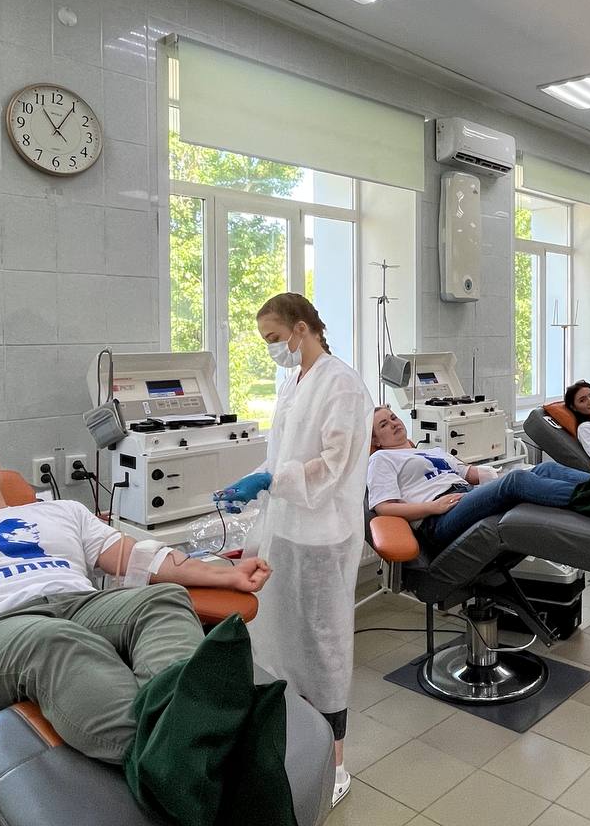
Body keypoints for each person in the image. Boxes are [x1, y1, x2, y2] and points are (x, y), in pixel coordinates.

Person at [0, 428, 271, 786]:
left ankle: (189, 735)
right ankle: (177, 766)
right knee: (54, 639)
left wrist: (225, 575)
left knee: (161, 599)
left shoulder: (61, 512)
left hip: (80, 606)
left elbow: (140, 558)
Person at [214, 292, 372, 807]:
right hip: (286, 532)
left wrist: (270, 480)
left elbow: (333, 464)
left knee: (323, 648)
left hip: (323, 537)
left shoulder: (341, 383)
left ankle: (335, 764)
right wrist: (253, 483)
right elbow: (281, 455)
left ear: (302, 328)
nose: (272, 349)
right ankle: (296, 745)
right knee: (283, 641)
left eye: (275, 338)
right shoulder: (293, 382)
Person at [368, 407, 590, 550]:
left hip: (466, 495)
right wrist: (432, 507)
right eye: (384, 424)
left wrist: (515, 473)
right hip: (439, 518)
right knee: (516, 481)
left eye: (393, 417)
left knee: (545, 469)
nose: (394, 423)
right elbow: (384, 507)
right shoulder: (381, 458)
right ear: (375, 440)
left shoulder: (433, 452)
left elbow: (471, 474)